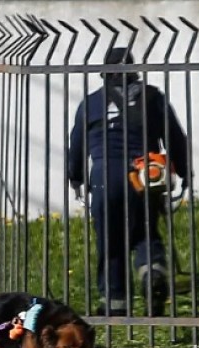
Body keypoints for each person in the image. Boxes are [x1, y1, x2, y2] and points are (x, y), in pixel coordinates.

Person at [67, 47, 188, 317]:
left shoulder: (91, 103)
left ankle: (115, 304)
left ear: (104, 74)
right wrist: (185, 172)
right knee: (145, 230)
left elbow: (76, 145)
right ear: (133, 72)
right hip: (143, 174)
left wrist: (75, 177)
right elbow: (175, 137)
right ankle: (152, 271)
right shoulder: (153, 98)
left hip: (103, 177)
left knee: (110, 239)